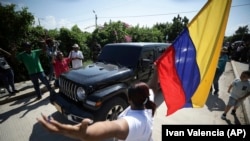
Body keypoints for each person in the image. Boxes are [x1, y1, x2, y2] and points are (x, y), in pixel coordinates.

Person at [37, 64, 159, 141]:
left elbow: (111, 127)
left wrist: (86, 133)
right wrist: (157, 69)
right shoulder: (149, 104)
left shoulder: (134, 122)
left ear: (129, 99)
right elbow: (153, 87)